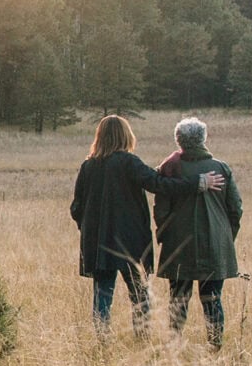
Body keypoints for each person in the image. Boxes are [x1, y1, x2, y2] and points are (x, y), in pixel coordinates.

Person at [71, 114, 224, 339]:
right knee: (139, 294)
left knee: (102, 295)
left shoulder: (88, 166)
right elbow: (159, 184)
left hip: (98, 243)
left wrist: (89, 229)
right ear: (125, 135)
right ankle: (142, 339)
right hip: (130, 242)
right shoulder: (129, 162)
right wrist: (197, 183)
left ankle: (102, 340)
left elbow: (76, 207)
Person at [154, 117, 242, 350]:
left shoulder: (170, 167)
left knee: (178, 299)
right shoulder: (221, 168)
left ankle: (174, 345)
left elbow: (160, 209)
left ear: (179, 140)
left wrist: (163, 235)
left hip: (178, 244)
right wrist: (226, 238)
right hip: (215, 244)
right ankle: (215, 346)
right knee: (212, 299)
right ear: (203, 139)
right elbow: (236, 209)